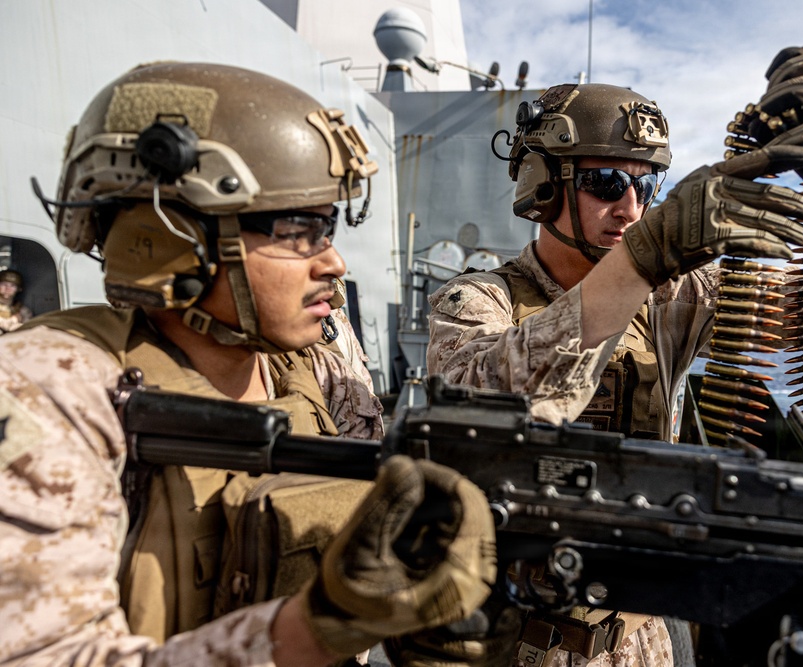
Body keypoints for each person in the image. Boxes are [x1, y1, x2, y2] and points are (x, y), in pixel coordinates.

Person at [422, 47, 803, 666]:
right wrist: (642, 260)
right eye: (606, 183)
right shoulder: (476, 301)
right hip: (516, 647)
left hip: (643, 643)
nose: (632, 208)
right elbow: (486, 405)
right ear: (543, 184)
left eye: (646, 185)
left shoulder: (674, 296)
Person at [0, 62, 496, 666]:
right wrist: (318, 629)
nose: (334, 261)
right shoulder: (48, 388)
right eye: (299, 229)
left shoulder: (311, 370)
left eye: (330, 227)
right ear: (172, 237)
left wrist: (415, 607)